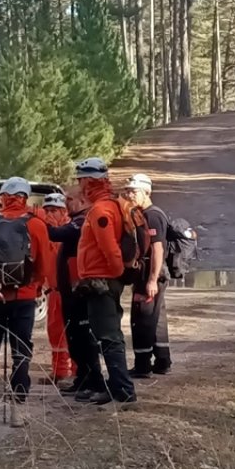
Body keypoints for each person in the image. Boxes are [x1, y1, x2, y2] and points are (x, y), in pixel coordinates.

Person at [0, 177, 52, 427]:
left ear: (3, 197)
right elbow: (44, 265)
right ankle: (18, 411)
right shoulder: (36, 225)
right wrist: (34, 285)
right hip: (24, 298)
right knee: (21, 354)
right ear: (25, 198)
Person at [74, 158, 137, 405]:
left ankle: (123, 390)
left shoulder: (101, 210)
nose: (78, 186)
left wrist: (115, 273)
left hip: (102, 281)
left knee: (108, 337)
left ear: (89, 181)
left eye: (80, 180)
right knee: (107, 335)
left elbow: (110, 249)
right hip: (105, 280)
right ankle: (117, 387)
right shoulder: (110, 206)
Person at [46, 186, 108, 403]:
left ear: (83, 201)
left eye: (70, 199)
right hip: (69, 290)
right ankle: (82, 379)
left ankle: (95, 381)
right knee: (74, 338)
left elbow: (56, 233)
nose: (66, 203)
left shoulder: (81, 222)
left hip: (79, 291)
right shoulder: (77, 221)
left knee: (84, 338)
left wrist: (34, 221)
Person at [123, 174, 172, 377]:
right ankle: (163, 361)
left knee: (142, 318)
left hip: (151, 276)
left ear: (146, 192)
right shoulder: (142, 214)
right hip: (149, 274)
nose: (129, 195)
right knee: (156, 318)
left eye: (133, 191)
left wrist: (152, 279)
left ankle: (143, 366)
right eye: (128, 191)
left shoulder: (152, 215)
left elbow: (157, 249)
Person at [40, 193, 73, 387]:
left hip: (69, 290)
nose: (50, 214)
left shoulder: (70, 230)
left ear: (63, 211)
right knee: (55, 332)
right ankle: (59, 371)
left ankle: (78, 371)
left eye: (54, 210)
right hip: (53, 290)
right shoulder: (45, 232)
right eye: (47, 210)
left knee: (74, 332)